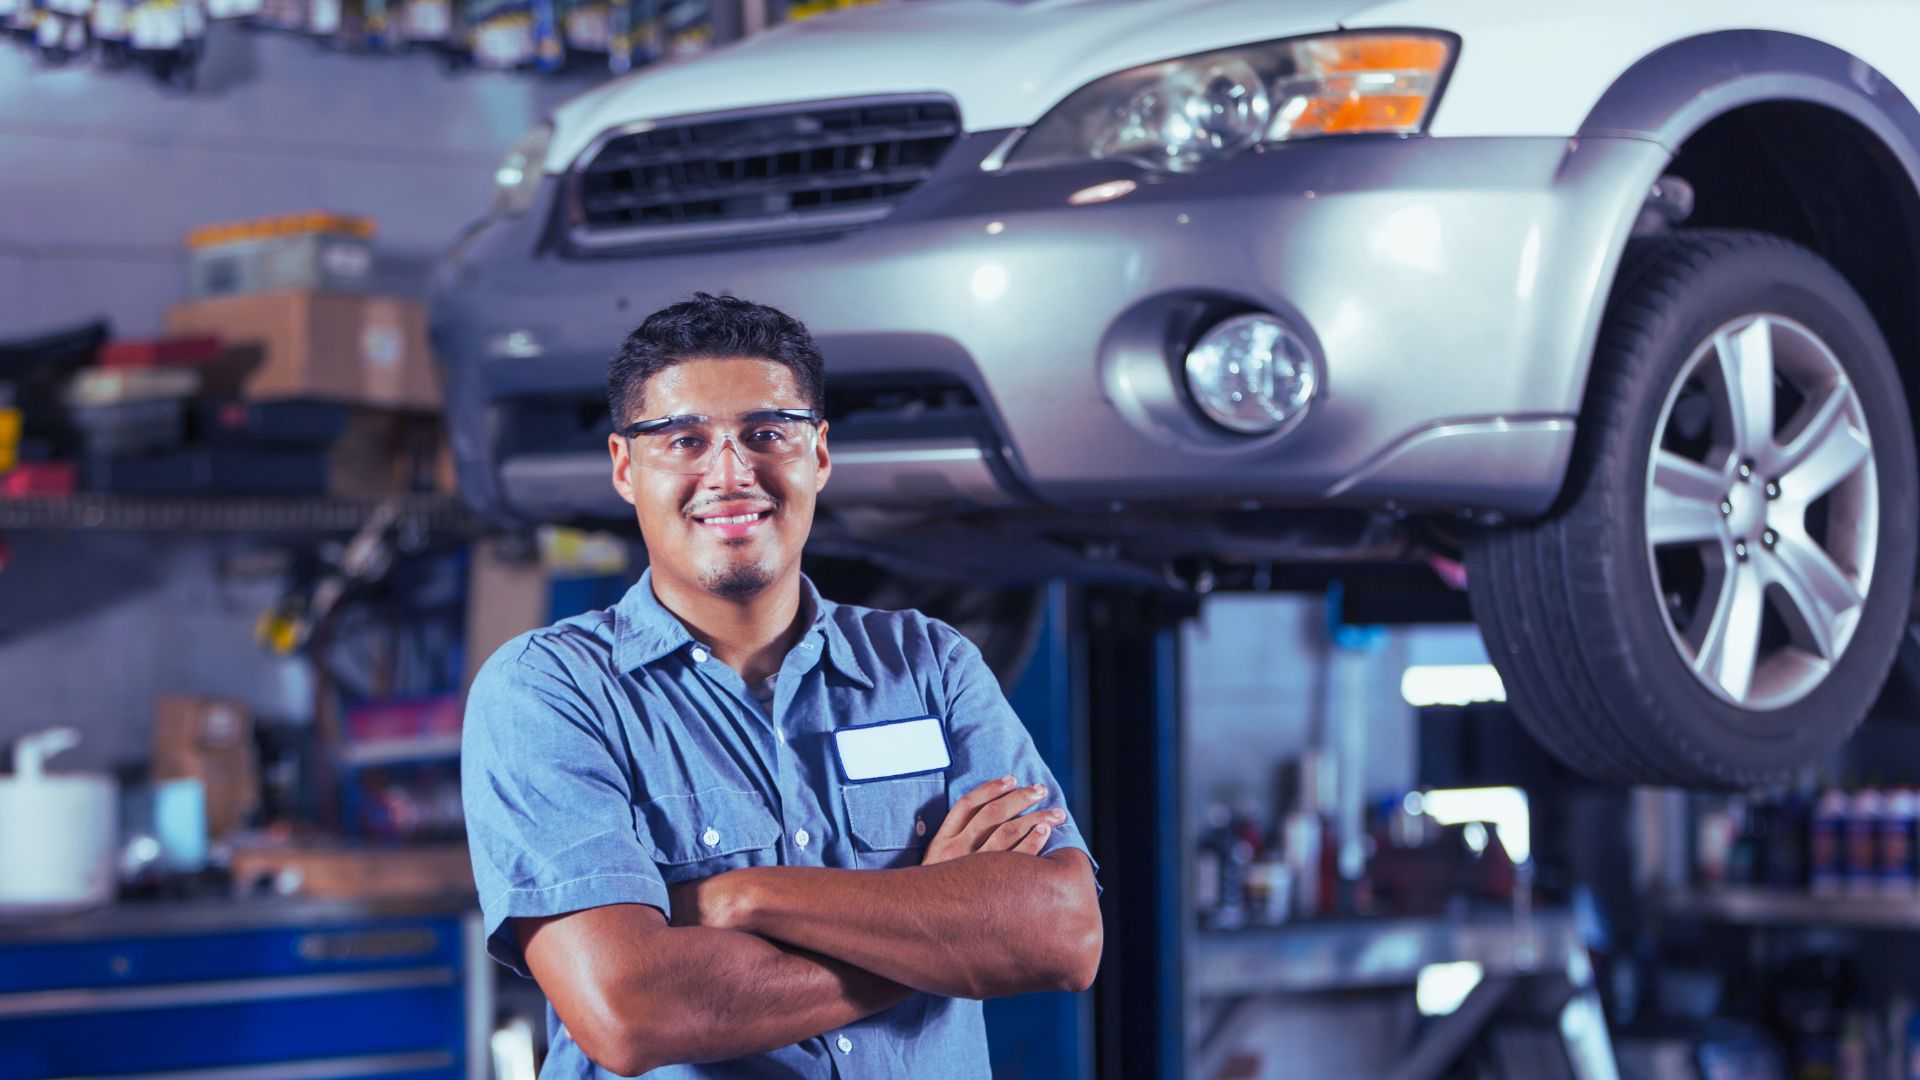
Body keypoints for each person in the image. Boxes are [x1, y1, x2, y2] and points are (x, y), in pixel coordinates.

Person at [461, 293, 1103, 1077]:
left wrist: (745, 896)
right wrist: (943, 934)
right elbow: (631, 1013)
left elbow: (1064, 935)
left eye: (768, 434)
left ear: (819, 455)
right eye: (684, 439)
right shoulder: (551, 691)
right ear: (626, 468)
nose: (731, 474)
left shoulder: (931, 666)